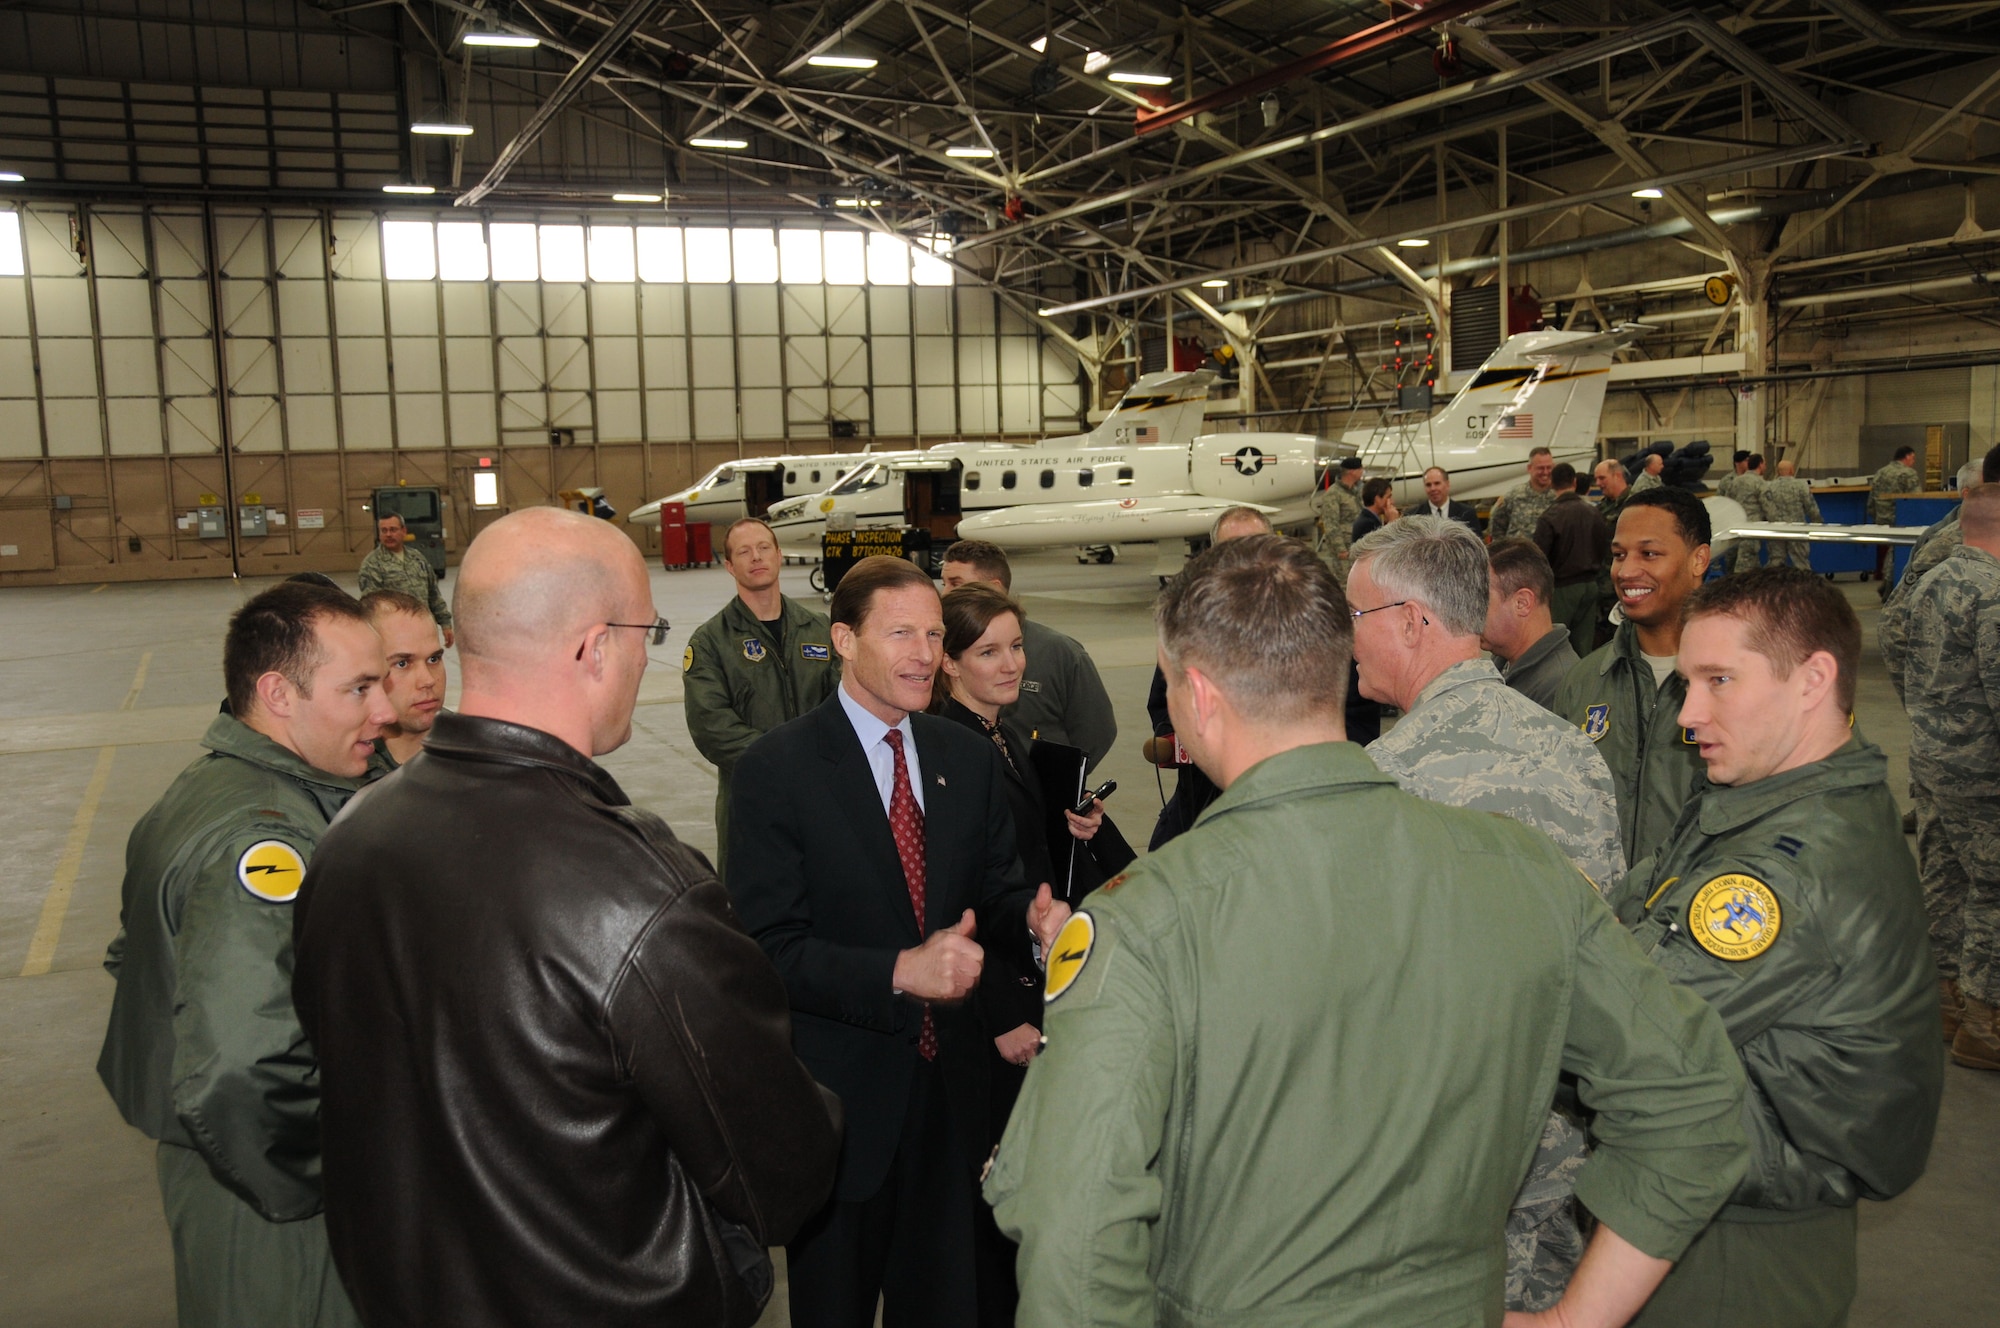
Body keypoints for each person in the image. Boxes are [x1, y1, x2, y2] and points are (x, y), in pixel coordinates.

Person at [986, 533, 1750, 1328]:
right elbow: (1693, 1097)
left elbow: (1074, 1230)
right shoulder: (1525, 871)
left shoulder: (1145, 920)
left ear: (1201, 695)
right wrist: (1576, 1318)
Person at [294, 507, 842, 1328]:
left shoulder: (349, 838)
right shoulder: (640, 892)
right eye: (644, 634)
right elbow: (784, 1167)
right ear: (594, 647)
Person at [725, 554, 1075, 1328]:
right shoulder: (775, 772)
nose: (925, 653)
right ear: (844, 640)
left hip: (953, 1105)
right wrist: (898, 971)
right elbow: (764, 953)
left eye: (933, 633)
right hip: (841, 1116)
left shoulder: (963, 758)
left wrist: (1031, 919)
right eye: (901, 633)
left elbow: (992, 889)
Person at [1612, 567, 1943, 1328]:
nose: (1688, 715)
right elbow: (1627, 912)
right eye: (1688, 682)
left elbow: (1622, 1031)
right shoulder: (1755, 801)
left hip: (1737, 1254)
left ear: (1813, 679)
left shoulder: (1789, 868)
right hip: (1717, 1209)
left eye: (1718, 680)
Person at [96, 580, 394, 1328]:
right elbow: (238, 1066)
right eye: (358, 688)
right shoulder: (262, 843)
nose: (383, 711)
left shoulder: (210, 788)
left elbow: (134, 954)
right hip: (272, 1202)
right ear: (278, 693)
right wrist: (334, 1183)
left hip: (224, 1173)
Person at [1351, 517, 1627, 1309]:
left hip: (1448, 1163)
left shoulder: (1386, 779)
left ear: (1411, 621)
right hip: (1566, 1147)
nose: (1350, 640)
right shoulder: (1573, 753)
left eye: (1357, 618)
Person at [930, 583, 1136, 1327]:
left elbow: (1021, 856)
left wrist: (1070, 827)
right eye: (988, 651)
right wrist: (1001, 1015)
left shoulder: (1004, 735)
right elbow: (957, 901)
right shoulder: (951, 750)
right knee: (997, 1183)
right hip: (998, 1000)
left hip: (1033, 969)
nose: (1011, 663)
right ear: (948, 664)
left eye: (1015, 646)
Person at [1556, 486, 1712, 869]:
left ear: (1699, 560)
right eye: (1618, 555)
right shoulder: (1584, 681)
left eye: (1649, 554)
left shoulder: (1742, 685)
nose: (1626, 572)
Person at [1899, 482, 2000, 1068]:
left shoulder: (1930, 581)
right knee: (1994, 888)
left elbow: (1894, 640)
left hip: (1934, 759)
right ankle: (1986, 1020)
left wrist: (1929, 715)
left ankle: (1945, 998)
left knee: (1945, 874)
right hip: (1985, 771)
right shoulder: (1994, 592)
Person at [684, 516, 841, 875]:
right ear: (729, 566)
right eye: (743, 551)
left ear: (779, 555)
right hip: (753, 800)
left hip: (825, 797)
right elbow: (712, 727)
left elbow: (846, 703)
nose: (756, 557)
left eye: (763, 548)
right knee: (755, 908)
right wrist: (783, 764)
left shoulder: (819, 629)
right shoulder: (710, 642)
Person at [1145, 506, 1278, 849]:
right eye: (1230, 551)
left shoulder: (1308, 622)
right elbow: (1161, 702)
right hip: (1199, 802)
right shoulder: (1187, 623)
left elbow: (1353, 720)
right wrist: (1178, 742)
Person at [940, 538, 1118, 771]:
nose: (944, 594)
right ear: (950, 664)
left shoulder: (1062, 654)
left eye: (956, 583)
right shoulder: (939, 648)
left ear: (995, 588)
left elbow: (1096, 731)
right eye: (988, 653)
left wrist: (1058, 786)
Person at [1486, 539, 1579, 711]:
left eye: (1481, 600)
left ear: (1522, 603)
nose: (1470, 611)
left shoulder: (1559, 686)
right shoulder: (1503, 662)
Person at [359, 589, 446, 768]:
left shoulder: (474, 753)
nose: (428, 680)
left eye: (433, 659)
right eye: (402, 663)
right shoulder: (340, 768)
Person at [1533, 462, 1611, 651]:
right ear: (1575, 482)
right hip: (1591, 587)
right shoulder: (1595, 513)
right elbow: (1605, 550)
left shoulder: (1549, 517)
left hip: (1562, 589)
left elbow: (1539, 560)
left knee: (1553, 646)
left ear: (1552, 483)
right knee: (1583, 646)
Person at [357, 513, 452, 647]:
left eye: (393, 529)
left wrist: (445, 624)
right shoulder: (372, 564)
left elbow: (433, 594)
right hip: (396, 635)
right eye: (384, 530)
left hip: (424, 630)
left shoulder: (417, 558)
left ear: (404, 531)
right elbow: (372, 607)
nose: (388, 534)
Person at [1869, 444, 1924, 580]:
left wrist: (1874, 515)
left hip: (1881, 519)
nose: (1914, 461)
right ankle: (1891, 577)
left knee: (1883, 548)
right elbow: (1916, 498)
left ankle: (1880, 573)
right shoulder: (1908, 473)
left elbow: (1871, 499)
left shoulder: (1880, 472)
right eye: (1913, 458)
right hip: (1900, 519)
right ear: (1907, 456)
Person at [1310, 456, 1365, 583]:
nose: (1362, 471)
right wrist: (1340, 549)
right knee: (1345, 583)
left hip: (1357, 545)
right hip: (1344, 549)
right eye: (1360, 469)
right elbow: (1331, 523)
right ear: (1352, 471)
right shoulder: (1333, 494)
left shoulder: (1356, 491)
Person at [1759, 459, 1820, 569]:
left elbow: (1764, 509)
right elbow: (1811, 507)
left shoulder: (1768, 487)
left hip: (1776, 530)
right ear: (1792, 470)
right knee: (1801, 561)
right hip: (1797, 529)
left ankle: (1774, 584)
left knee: (1776, 560)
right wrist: (1817, 522)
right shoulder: (1801, 485)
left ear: (1778, 472)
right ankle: (1804, 584)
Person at [1487, 446, 1557, 541]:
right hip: (1518, 554)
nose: (1545, 472)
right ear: (1529, 468)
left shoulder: (1558, 497)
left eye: (1549, 467)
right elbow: (1496, 525)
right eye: (1540, 468)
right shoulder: (1514, 495)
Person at [1728, 454, 1769, 573]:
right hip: (1752, 528)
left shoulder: (1735, 481)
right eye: (1764, 464)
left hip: (1736, 526)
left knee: (1743, 559)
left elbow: (1729, 501)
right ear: (1760, 464)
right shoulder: (1760, 483)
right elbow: (1767, 505)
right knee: (1746, 561)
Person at [1418, 465, 1482, 532]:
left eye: (1437, 483)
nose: (1433, 488)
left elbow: (1477, 541)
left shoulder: (1467, 513)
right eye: (1428, 485)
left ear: (1447, 484)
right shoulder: (1414, 515)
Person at [1352, 476, 1398, 542]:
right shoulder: (1367, 524)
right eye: (1389, 497)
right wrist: (1392, 523)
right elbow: (1381, 547)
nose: (1392, 502)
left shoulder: (1370, 519)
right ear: (1377, 499)